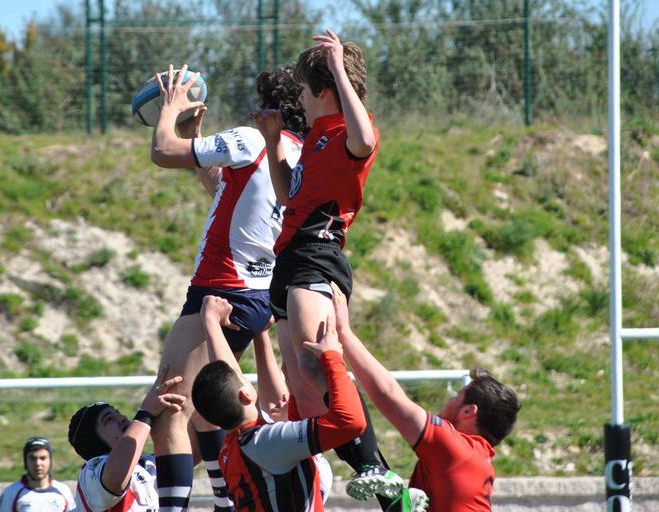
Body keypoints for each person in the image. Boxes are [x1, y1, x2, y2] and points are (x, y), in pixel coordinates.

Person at [148, 63, 307, 512]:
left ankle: (197, 505)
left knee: (169, 408)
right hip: (254, 294)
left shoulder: (253, 139)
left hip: (222, 289)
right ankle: (222, 496)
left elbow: (163, 151)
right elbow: (228, 191)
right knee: (206, 407)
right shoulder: (297, 155)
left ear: (271, 108)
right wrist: (197, 137)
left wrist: (170, 108)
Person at [252, 29, 400, 500]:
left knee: (318, 364)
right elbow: (287, 195)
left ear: (323, 91)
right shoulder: (316, 138)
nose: (298, 97)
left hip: (316, 256)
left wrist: (337, 66)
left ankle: (379, 473)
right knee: (305, 388)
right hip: (289, 259)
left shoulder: (348, 132)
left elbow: (365, 139)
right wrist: (273, 142)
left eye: (302, 88)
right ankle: (383, 485)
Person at [330, 282, 521, 511]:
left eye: (457, 396)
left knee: (349, 407)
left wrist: (344, 332)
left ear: (468, 411)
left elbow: (387, 395)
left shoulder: (456, 449)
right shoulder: (477, 458)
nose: (450, 398)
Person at [191, 294, 366, 512]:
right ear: (245, 395)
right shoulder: (264, 444)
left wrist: (254, 332)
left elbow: (225, 382)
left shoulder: (232, 449)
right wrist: (332, 357)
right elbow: (349, 422)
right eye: (244, 378)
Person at [67, 375, 185, 512]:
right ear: (94, 439)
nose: (122, 418)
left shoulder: (147, 464)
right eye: (108, 419)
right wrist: (146, 413)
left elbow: (190, 452)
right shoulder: (90, 472)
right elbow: (115, 478)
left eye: (118, 413)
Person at [0, 436, 77, 512]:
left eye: (43, 458)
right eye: (32, 458)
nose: (38, 463)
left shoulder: (63, 491)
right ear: (25, 461)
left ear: (50, 460)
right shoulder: (11, 492)